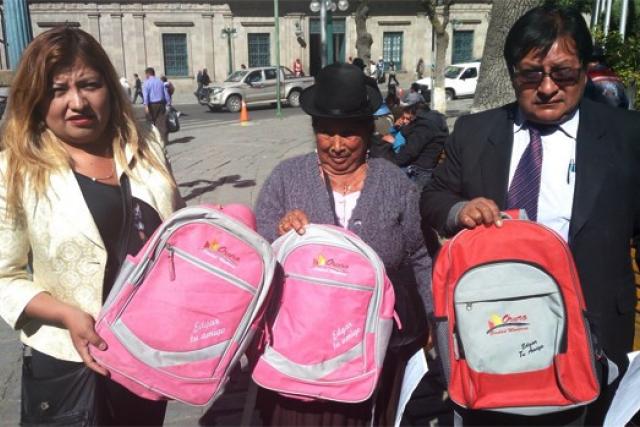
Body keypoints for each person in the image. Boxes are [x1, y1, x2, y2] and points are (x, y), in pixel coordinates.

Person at [421, 5, 640, 425]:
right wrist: (460, 210)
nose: (547, 88)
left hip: (590, 334)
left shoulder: (627, 135)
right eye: (531, 75)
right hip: (495, 330)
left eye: (563, 73)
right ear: (512, 74)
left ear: (584, 70)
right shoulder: (475, 132)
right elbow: (434, 196)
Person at [0, 27, 183, 425]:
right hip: (70, 361)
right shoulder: (15, 168)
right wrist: (66, 314)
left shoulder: (145, 143)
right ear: (36, 99)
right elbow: (4, 276)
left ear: (109, 88)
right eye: (58, 90)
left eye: (89, 85)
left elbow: (177, 229)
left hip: (147, 353)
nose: (77, 102)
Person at [255, 63, 432, 426]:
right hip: (299, 353)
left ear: (367, 132)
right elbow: (257, 250)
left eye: (349, 133)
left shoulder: (395, 184)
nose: (336, 146)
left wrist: (431, 318)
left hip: (373, 352)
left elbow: (419, 255)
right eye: (326, 132)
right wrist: (279, 234)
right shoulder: (286, 179)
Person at [384, 103, 448, 189]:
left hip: (418, 172)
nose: (405, 121)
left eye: (409, 118)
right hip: (421, 168)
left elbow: (410, 152)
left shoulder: (424, 126)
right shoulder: (430, 121)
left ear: (415, 115)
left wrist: (390, 164)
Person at [584, 45, 629, 109]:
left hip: (597, 114)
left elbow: (584, 104)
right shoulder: (616, 77)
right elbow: (625, 103)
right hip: (617, 114)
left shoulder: (587, 78)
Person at [143, 66, 171, 144]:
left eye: (146, 74)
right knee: (161, 122)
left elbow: (146, 95)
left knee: (150, 123)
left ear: (147, 74)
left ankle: (153, 141)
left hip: (151, 105)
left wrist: (146, 106)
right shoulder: (160, 82)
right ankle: (164, 140)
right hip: (161, 104)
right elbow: (166, 93)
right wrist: (168, 103)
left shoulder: (146, 83)